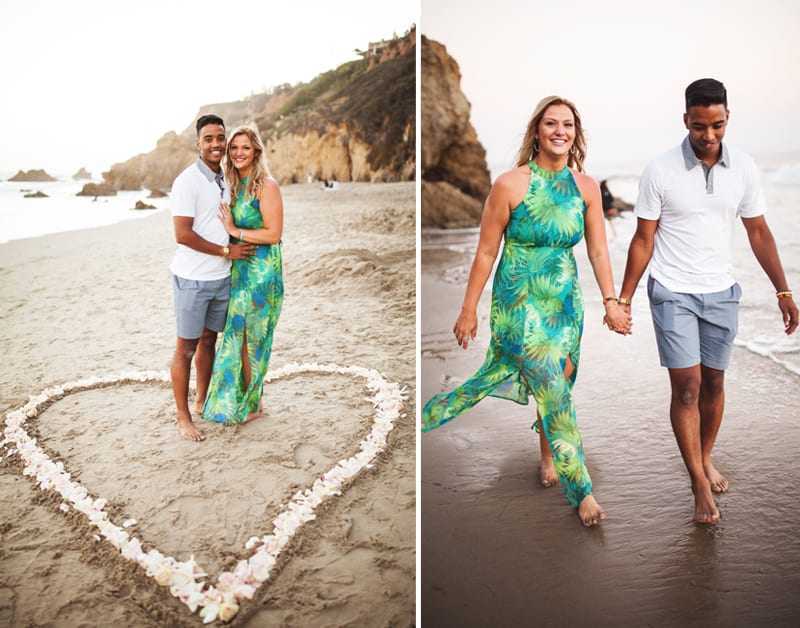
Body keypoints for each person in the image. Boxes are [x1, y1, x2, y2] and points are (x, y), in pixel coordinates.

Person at [422, 96, 632, 526]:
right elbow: (485, 253)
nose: (560, 131)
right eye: (551, 124)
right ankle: (582, 491)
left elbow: (596, 249)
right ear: (537, 131)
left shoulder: (585, 186)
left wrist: (611, 302)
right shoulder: (510, 185)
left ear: (576, 134)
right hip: (518, 302)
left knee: (562, 376)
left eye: (568, 125)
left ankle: (547, 452)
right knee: (551, 378)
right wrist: (469, 309)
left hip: (564, 301)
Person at [618, 78, 798, 523]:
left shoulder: (745, 168)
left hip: (721, 292)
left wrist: (783, 289)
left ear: (727, 117)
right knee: (688, 387)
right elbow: (643, 240)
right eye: (700, 126)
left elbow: (758, 231)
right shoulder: (659, 170)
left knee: (715, 383)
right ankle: (699, 483)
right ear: (686, 120)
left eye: (717, 125)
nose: (709, 135)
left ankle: (704, 457)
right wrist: (622, 298)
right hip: (672, 291)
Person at [170, 115, 256, 442]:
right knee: (185, 350)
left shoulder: (224, 179)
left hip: (222, 279)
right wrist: (225, 252)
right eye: (209, 139)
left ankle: (202, 398)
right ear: (198, 143)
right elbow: (182, 234)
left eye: (221, 138)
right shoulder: (187, 181)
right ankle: (183, 417)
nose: (217, 144)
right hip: (192, 279)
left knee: (210, 341)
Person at [201, 125, 284, 425]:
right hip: (238, 269)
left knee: (253, 336)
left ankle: (255, 404)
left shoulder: (267, 185)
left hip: (262, 271)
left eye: (245, 147)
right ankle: (246, 396)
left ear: (256, 151)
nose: (238, 152)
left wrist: (235, 232)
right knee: (237, 334)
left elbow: (274, 234)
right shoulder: (233, 185)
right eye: (234, 147)